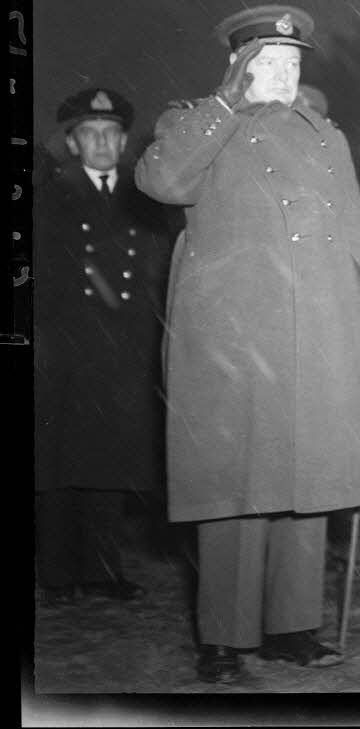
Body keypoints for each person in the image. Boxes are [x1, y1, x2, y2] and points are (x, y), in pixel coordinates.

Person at [135, 5, 360, 683]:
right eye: (266, 62)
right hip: (234, 335)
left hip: (315, 328)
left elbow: (353, 235)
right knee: (234, 484)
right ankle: (224, 634)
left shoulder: (324, 136)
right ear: (238, 65)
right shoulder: (195, 122)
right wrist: (222, 103)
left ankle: (291, 627)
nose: (281, 74)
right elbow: (160, 180)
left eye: (292, 62)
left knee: (306, 478)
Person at [35, 87, 170, 605]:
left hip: (125, 352)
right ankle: (58, 574)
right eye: (90, 134)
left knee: (110, 464)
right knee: (58, 464)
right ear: (72, 142)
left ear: (123, 139)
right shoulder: (52, 195)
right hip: (64, 350)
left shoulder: (144, 197)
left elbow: (156, 270)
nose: (102, 143)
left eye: (111, 133)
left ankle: (102, 569)